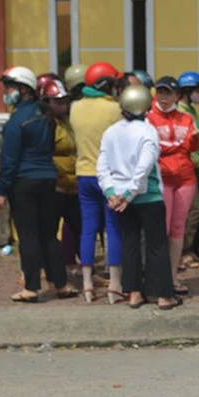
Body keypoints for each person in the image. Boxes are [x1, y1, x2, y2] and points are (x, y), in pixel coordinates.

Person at [0, 66, 78, 302]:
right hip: (49, 179)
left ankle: (31, 287)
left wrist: (0, 192)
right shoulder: (46, 116)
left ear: (23, 89)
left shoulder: (17, 121)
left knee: (28, 235)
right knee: (49, 234)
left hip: (24, 183)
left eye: (9, 87)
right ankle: (60, 284)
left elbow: (9, 160)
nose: (6, 93)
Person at [96, 85, 182, 310]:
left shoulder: (110, 132)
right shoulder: (148, 131)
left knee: (130, 244)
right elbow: (144, 167)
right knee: (157, 245)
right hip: (148, 196)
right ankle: (163, 295)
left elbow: (102, 167)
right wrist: (129, 194)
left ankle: (134, 293)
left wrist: (112, 193)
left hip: (122, 199)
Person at [146, 76, 199, 295]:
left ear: (176, 95)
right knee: (160, 228)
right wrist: (178, 146)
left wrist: (196, 140)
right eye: (160, 92)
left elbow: (189, 148)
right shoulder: (149, 118)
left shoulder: (185, 117)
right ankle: (158, 276)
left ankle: (172, 276)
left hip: (185, 178)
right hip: (162, 177)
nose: (163, 97)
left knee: (178, 229)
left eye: (168, 93)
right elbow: (156, 149)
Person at [69, 61, 123, 304]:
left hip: (84, 175)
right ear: (108, 85)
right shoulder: (114, 110)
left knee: (88, 229)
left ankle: (88, 285)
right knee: (113, 228)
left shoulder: (75, 108)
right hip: (109, 176)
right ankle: (114, 285)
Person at [40, 78, 82, 272]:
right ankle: (45, 270)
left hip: (72, 184)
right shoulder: (45, 124)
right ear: (47, 102)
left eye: (65, 101)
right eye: (58, 102)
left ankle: (83, 267)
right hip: (55, 185)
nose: (63, 105)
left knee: (79, 228)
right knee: (48, 232)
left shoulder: (67, 122)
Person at [177, 71, 199, 269]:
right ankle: (182, 251)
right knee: (192, 210)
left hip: (195, 165)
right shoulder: (182, 112)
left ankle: (187, 250)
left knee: (192, 210)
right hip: (186, 167)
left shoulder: (191, 110)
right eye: (198, 90)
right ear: (188, 91)